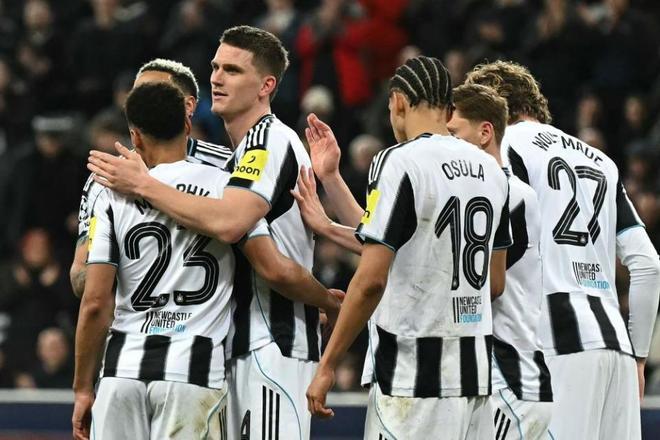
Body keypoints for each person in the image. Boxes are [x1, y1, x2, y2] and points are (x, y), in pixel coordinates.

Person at [88, 26, 323, 440]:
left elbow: (233, 225)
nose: (216, 78)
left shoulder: (265, 139)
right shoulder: (233, 160)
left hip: (272, 338)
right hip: (231, 348)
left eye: (232, 70)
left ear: (266, 86)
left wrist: (144, 185)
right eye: (215, 67)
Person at [301, 56, 511, 439]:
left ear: (398, 102)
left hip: (413, 377)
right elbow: (494, 283)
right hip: (474, 377)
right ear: (448, 108)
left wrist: (328, 364)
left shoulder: (399, 161)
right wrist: (331, 179)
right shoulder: (492, 171)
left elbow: (370, 281)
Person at [465, 60, 660, 440]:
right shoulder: (601, 160)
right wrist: (638, 358)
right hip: (615, 345)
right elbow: (648, 264)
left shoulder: (505, 146)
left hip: (551, 343)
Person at [70, 58, 232, 298]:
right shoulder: (104, 179)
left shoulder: (227, 166)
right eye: (138, 96)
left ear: (188, 106)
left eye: (158, 93)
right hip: (136, 319)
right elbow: (79, 278)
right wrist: (114, 260)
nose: (144, 103)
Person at [447, 83, 553, 439]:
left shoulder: (511, 194)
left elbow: (487, 284)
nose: (448, 145)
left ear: (485, 133)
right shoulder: (485, 194)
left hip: (510, 380)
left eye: (453, 134)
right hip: (498, 378)